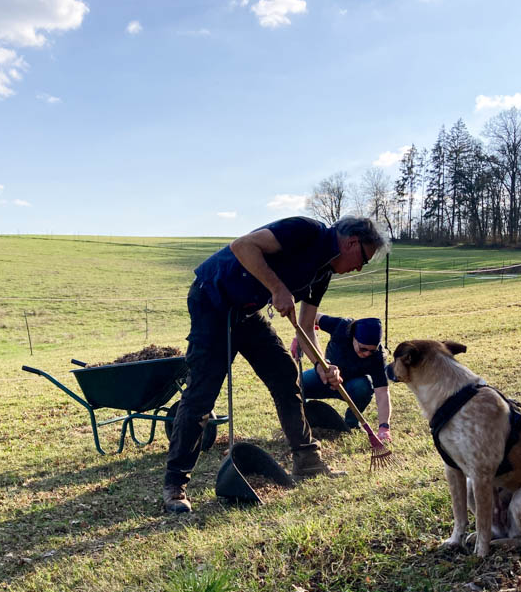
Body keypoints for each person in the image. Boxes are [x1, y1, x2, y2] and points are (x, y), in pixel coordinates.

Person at [163, 215, 389, 513]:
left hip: (245, 312)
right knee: (202, 392)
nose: (359, 268)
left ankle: (307, 460)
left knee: (285, 375)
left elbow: (307, 326)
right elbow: (243, 246)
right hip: (212, 300)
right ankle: (175, 484)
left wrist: (322, 365)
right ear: (351, 242)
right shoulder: (305, 231)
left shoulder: (322, 273)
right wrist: (277, 287)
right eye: (363, 259)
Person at [294, 315, 392, 437]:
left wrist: (384, 427)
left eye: (372, 350)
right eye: (363, 349)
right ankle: (302, 422)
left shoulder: (377, 357)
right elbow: (311, 317)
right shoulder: (342, 326)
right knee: (293, 385)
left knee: (364, 386)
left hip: (349, 387)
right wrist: (301, 336)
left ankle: (351, 424)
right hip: (323, 376)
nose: (367, 354)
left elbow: (382, 393)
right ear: (354, 338)